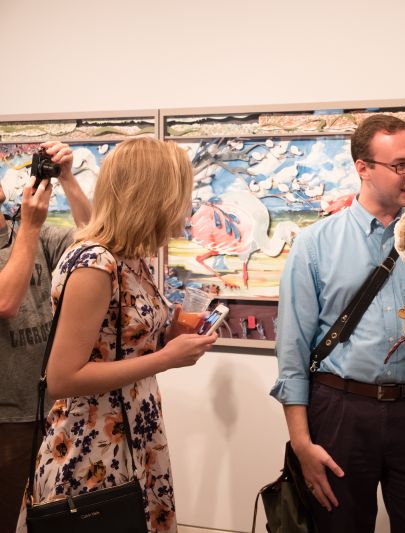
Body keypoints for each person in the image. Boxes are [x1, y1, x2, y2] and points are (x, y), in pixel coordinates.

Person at [270, 114, 405, 533]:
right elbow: (292, 353)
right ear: (363, 168)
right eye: (400, 165)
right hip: (340, 411)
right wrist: (302, 445)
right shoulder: (314, 245)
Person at [16, 138, 217, 533]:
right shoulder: (95, 263)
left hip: (131, 432)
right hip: (92, 446)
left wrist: (166, 337)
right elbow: (62, 378)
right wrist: (166, 357)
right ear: (155, 197)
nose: (186, 208)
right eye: (181, 196)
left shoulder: (127, 255)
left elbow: (115, 347)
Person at [0, 141, 91, 532]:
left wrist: (68, 179)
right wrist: (31, 227)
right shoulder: (30, 234)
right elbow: (6, 301)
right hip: (7, 421)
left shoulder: (33, 234)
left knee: (54, 518)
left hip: (54, 410)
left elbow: (94, 237)